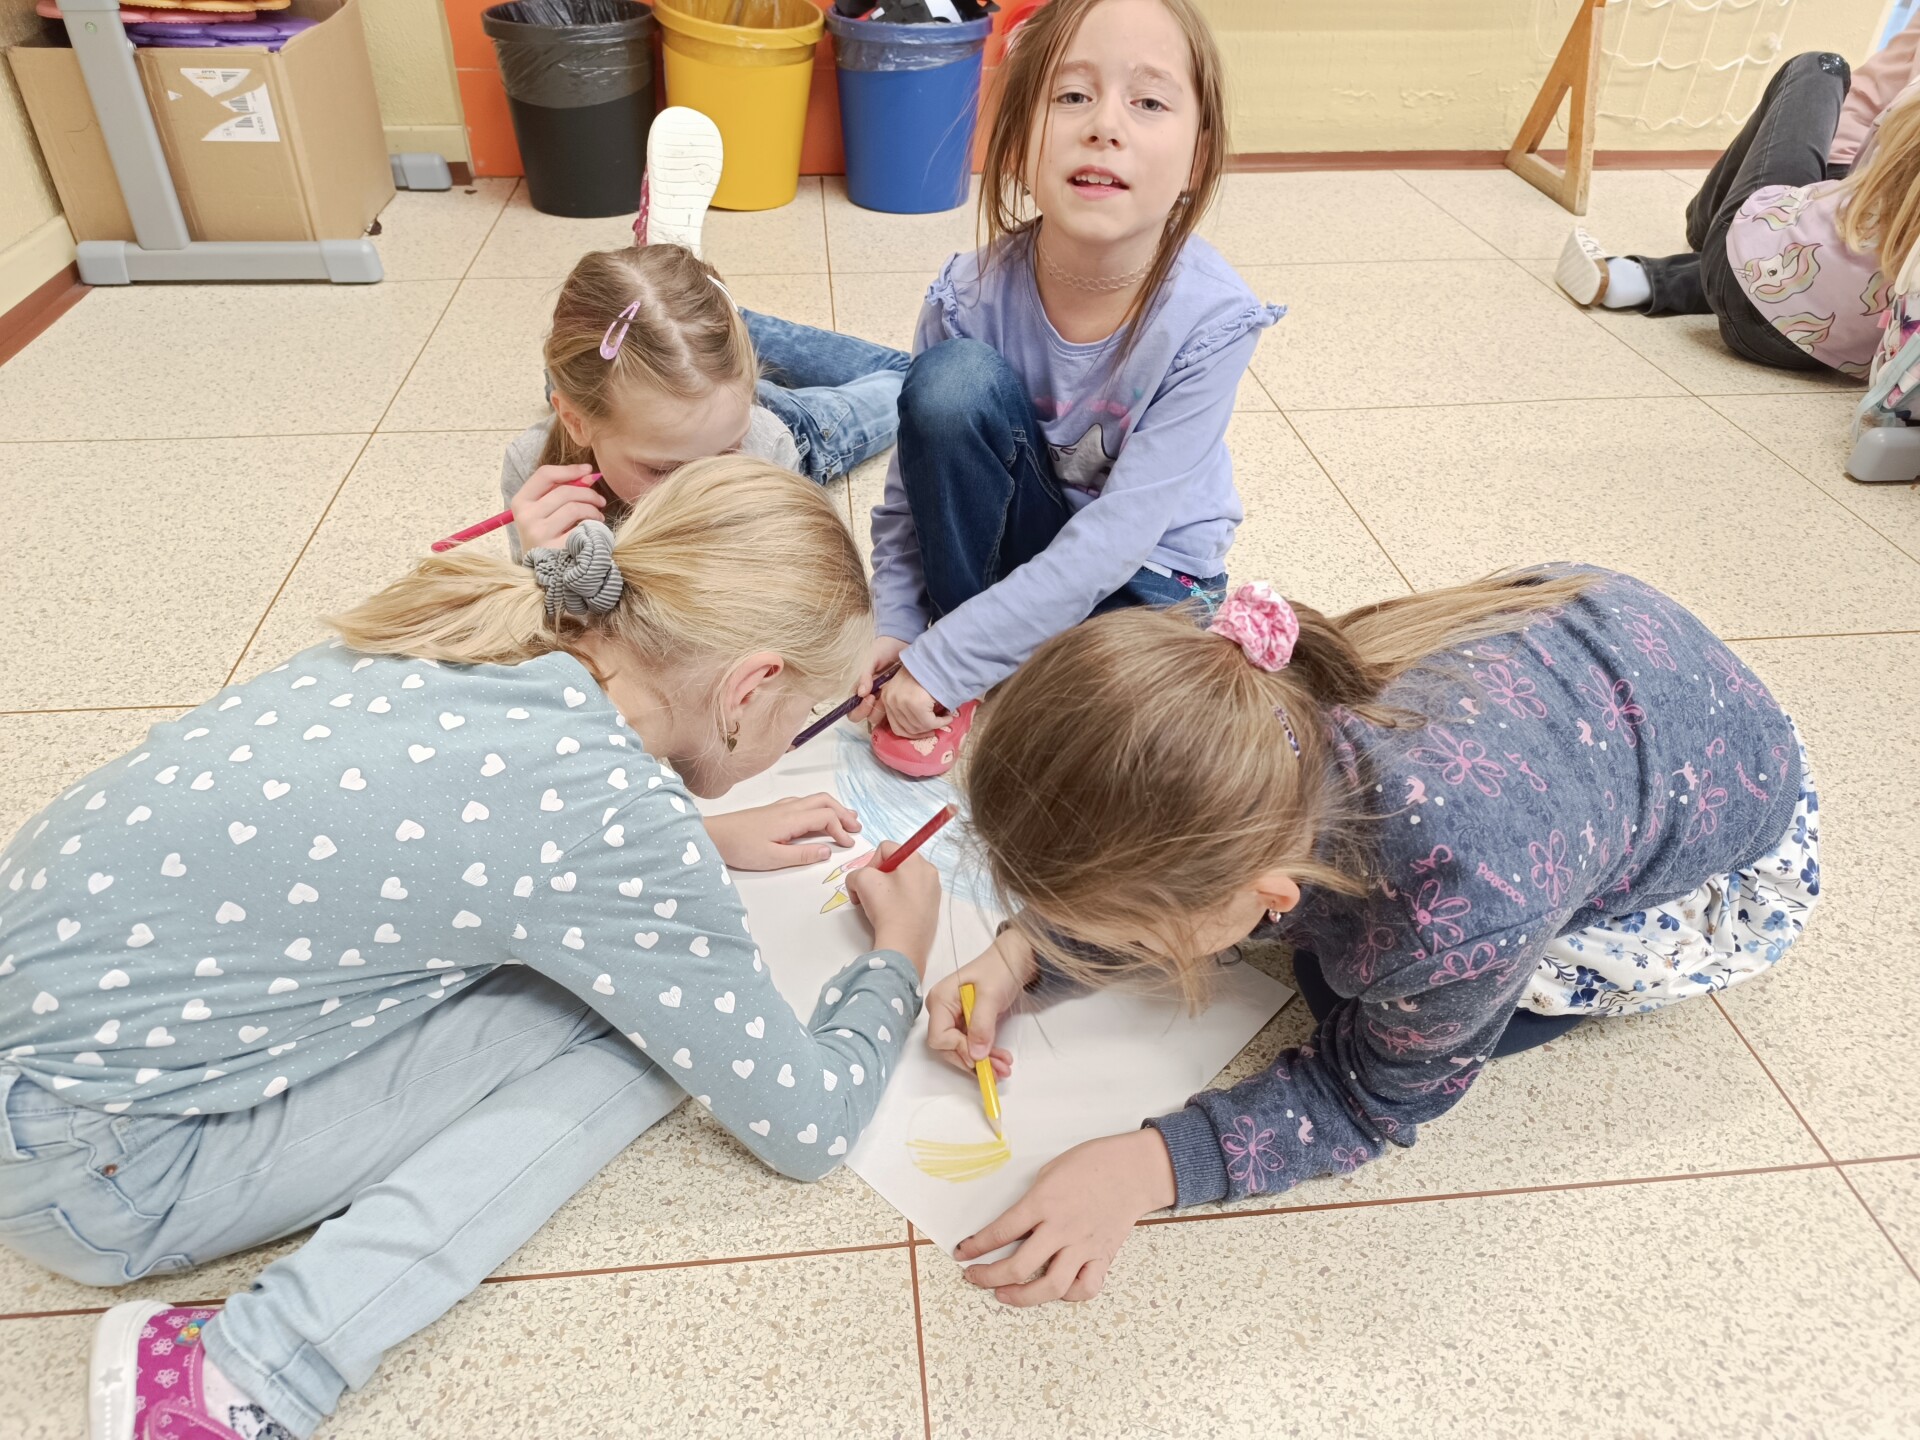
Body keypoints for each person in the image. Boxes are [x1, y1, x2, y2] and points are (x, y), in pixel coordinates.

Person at [0, 459, 940, 1437]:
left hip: (32, 1024)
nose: (793, 740)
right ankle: (251, 1371)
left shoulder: (495, 620)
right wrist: (900, 958)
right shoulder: (609, 814)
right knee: (641, 1033)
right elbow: (805, 1123)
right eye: (806, 717)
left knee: (584, 968)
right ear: (751, 687)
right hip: (92, 1167)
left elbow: (444, 832)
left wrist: (700, 843)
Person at [925, 567, 1817, 1306]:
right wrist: (1021, 957)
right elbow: (1133, 847)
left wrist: (1146, 1168)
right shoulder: (1249, 712)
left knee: (1356, 996)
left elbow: (1373, 1099)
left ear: (1269, 892)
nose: (1088, 945)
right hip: (1609, 650)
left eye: (1123, 937)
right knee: (1341, 972)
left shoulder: (1457, 911)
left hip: (1728, 829)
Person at [858, 0, 1284, 777]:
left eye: (1148, 102)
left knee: (1139, 754)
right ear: (1018, 142)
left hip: (1149, 576)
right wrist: (899, 622)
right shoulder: (967, 295)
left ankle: (995, 648)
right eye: (1072, 94)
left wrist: (946, 660)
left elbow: (1117, 540)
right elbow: (911, 490)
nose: (1105, 125)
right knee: (949, 387)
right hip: (1020, 546)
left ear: (1196, 160)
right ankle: (986, 637)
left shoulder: (1211, 319)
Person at [503, 242, 911, 560]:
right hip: (722, 400)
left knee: (911, 379)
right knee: (573, 375)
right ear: (575, 422)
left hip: (793, 422)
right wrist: (543, 569)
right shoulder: (532, 469)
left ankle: (697, 321)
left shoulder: (766, 444)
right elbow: (540, 635)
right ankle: (697, 318)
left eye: (729, 452)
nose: (701, 489)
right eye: (664, 469)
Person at [1554, 49, 1920, 377]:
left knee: (1820, 67)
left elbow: (1866, 167)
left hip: (1736, 282)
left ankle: (1705, 230)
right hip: (1833, 356)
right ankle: (1648, 279)